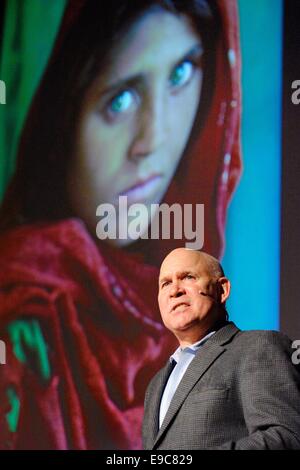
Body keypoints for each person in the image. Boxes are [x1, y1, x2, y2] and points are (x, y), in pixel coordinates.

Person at [0, 0, 242, 449]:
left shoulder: (190, 301)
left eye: (180, 75)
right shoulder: (25, 327)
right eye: (121, 99)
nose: (154, 139)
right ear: (57, 116)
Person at [143, 248, 300, 450]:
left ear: (222, 290)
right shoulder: (156, 385)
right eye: (166, 283)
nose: (175, 291)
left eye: (188, 277)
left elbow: (286, 437)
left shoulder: (257, 347)